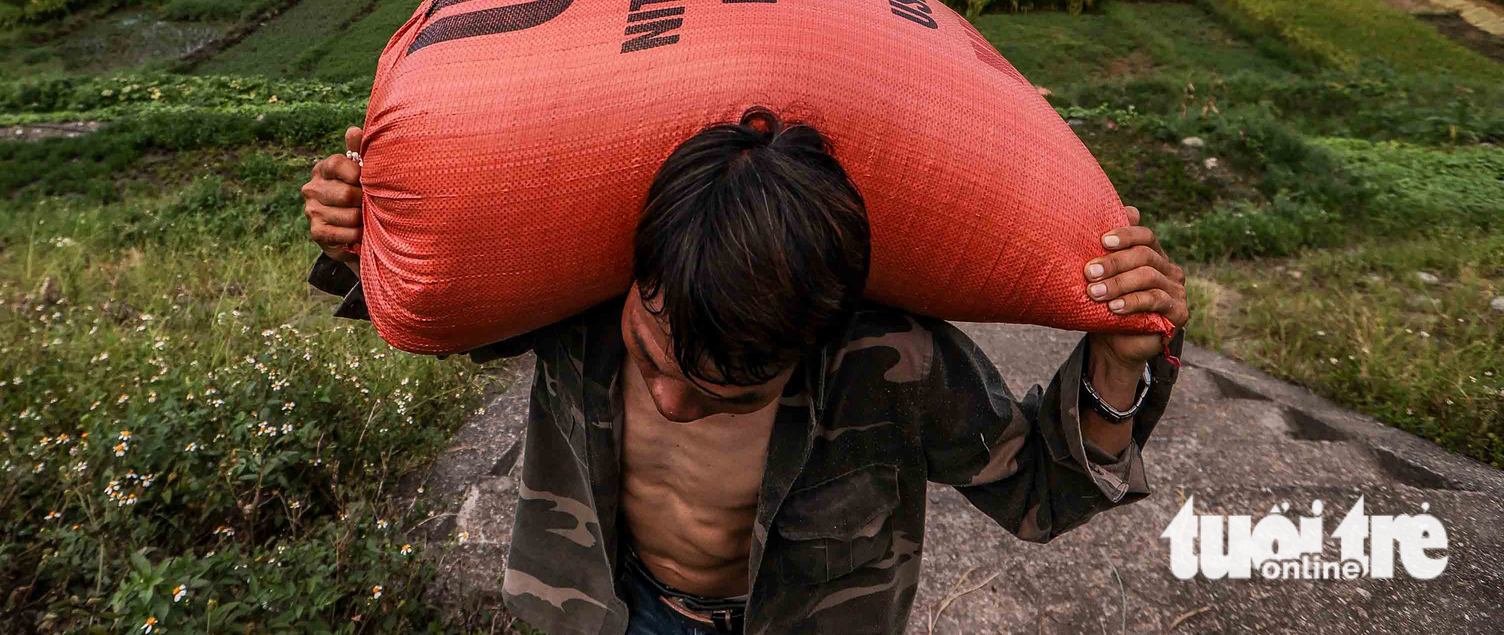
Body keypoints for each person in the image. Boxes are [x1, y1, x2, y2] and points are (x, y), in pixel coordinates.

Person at [303, 112, 1186, 635]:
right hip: (615, 611)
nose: (670, 402)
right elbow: (434, 318)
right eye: (652, 355)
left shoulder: (893, 366)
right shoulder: (576, 309)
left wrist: (1115, 368)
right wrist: (367, 237)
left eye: (732, 394)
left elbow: (1041, 494)